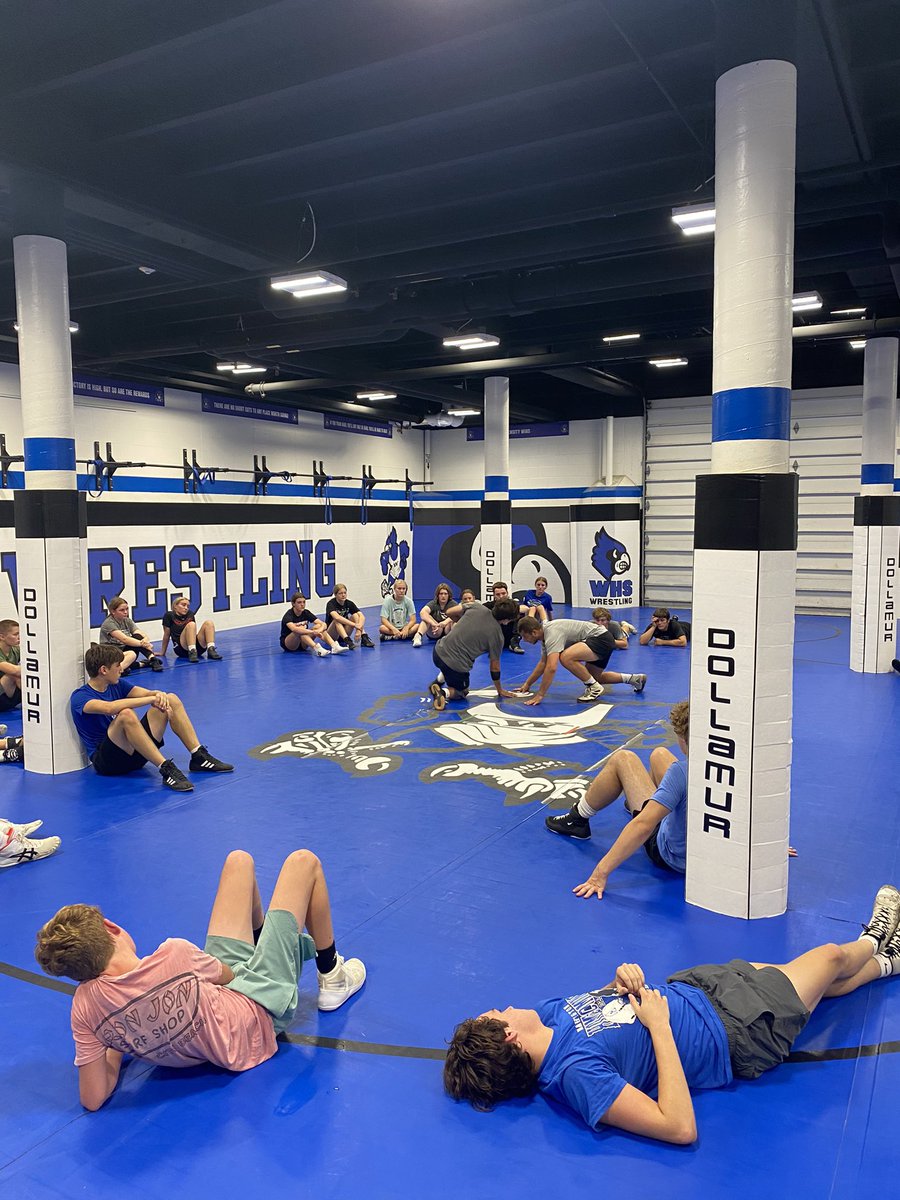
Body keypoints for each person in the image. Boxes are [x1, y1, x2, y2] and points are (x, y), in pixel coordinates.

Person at [443, 885, 900, 1143]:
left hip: (697, 986)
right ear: (509, 1038)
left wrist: (619, 980)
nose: (504, 1006)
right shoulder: (574, 1076)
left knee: (823, 983)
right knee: (829, 959)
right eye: (497, 1013)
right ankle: (877, 936)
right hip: (736, 1029)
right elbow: (678, 1127)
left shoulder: (546, 1015)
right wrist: (660, 1027)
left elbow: (608, 1010)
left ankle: (888, 961)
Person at [35, 846, 366, 1111]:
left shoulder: (86, 1007)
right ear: (112, 928)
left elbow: (93, 1098)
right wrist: (280, 951)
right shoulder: (173, 955)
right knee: (303, 862)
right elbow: (230, 974)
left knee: (239, 861)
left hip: (217, 1011)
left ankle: (269, 938)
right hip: (255, 1016)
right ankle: (332, 974)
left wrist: (116, 1040)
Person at [544, 699, 688, 893]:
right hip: (703, 859)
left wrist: (599, 874)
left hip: (672, 857)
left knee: (623, 759)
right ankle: (649, 802)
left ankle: (577, 819)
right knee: (659, 754)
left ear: (683, 739)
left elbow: (643, 826)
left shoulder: (682, 772)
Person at [70, 643, 233, 793]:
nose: (121, 669)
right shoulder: (80, 697)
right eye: (117, 666)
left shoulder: (116, 685)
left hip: (136, 754)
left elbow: (147, 693)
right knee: (126, 713)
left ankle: (198, 756)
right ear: (104, 670)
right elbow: (110, 708)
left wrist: (159, 695)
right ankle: (165, 768)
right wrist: (151, 700)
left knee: (171, 698)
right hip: (108, 762)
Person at [515, 617, 646, 705]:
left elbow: (551, 667)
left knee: (566, 657)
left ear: (533, 632)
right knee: (595, 677)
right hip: (602, 639)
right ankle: (634, 679)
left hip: (600, 638)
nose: (524, 640)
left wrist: (540, 695)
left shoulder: (552, 633)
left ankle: (593, 688)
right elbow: (543, 663)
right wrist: (527, 684)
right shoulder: (545, 636)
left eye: (524, 636)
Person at [429, 599, 520, 710]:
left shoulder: (476, 606)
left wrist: (461, 622)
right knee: (462, 692)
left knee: (451, 661)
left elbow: (449, 612)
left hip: (438, 651)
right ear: (506, 620)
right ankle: (442, 692)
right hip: (454, 665)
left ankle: (438, 682)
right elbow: (494, 668)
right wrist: (499, 690)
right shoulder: (497, 636)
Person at [100, 597, 164, 673]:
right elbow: (124, 639)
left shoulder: (127, 620)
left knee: (137, 636)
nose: (125, 612)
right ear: (113, 611)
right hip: (111, 654)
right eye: (122, 610)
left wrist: (146, 640)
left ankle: (153, 659)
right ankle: (119, 670)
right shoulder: (109, 623)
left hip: (123, 651)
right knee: (132, 654)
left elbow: (140, 633)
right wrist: (144, 645)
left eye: (127, 609)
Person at [160, 596, 222, 664]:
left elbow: (193, 633)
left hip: (197, 648)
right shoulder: (169, 615)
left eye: (187, 606)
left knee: (209, 623)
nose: (186, 608)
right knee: (191, 624)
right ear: (175, 606)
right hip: (181, 649)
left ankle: (211, 649)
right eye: (183, 605)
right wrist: (163, 652)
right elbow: (166, 635)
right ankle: (192, 651)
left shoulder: (190, 614)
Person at [279, 593, 346, 656]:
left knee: (318, 626)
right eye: (299, 602)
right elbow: (294, 629)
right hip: (290, 644)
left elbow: (323, 624)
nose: (302, 604)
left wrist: (319, 630)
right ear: (293, 604)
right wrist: (313, 632)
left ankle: (334, 646)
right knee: (300, 630)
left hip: (303, 643)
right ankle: (317, 648)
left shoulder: (306, 613)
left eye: (304, 602)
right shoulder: (289, 615)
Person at [325, 583, 374, 648]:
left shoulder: (348, 603)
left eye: (345, 593)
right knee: (336, 621)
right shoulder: (331, 604)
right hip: (332, 634)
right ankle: (347, 641)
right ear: (335, 595)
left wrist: (358, 630)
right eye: (340, 593)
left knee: (355, 615)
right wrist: (354, 625)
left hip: (344, 632)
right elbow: (337, 617)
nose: (343, 595)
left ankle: (364, 637)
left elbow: (362, 616)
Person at [484, 583, 524, 654]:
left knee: (518, 614)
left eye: (503, 593)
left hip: (510, 637)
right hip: (495, 638)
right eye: (498, 594)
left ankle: (514, 642)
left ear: (507, 593)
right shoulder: (487, 606)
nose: (501, 596)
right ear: (494, 595)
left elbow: (527, 609)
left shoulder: (513, 605)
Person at [413, 582, 455, 648]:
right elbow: (422, 612)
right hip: (436, 630)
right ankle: (418, 636)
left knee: (455, 620)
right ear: (437, 595)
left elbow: (459, 615)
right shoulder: (434, 603)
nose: (443, 596)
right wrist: (432, 623)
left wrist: (445, 622)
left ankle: (457, 639)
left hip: (448, 631)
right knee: (427, 617)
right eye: (441, 594)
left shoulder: (452, 604)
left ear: (449, 595)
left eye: (445, 594)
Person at [0, 618, 22, 711]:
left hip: (8, 696)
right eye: (15, 634)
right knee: (13, 675)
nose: (19, 637)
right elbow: (14, 670)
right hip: (2, 696)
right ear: (2, 637)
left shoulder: (15, 650)